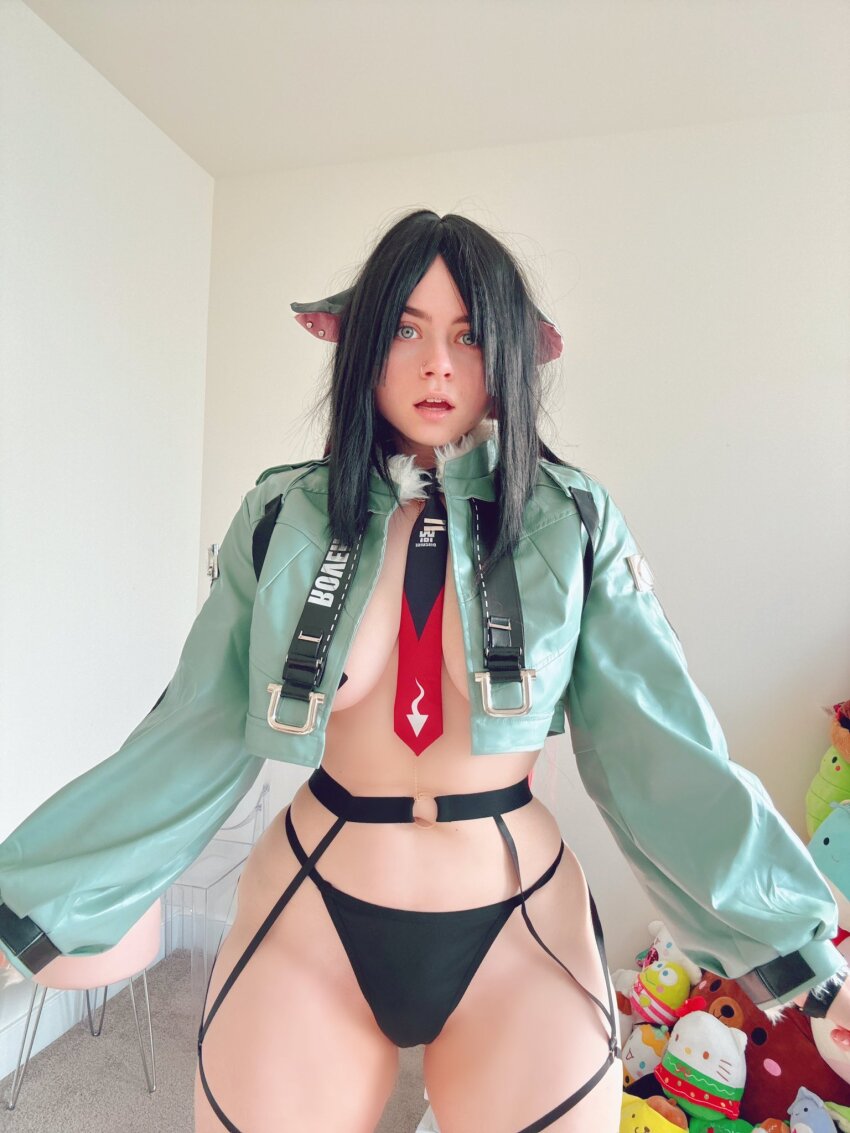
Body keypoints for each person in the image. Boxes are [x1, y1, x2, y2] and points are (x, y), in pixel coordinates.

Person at [0, 210, 847, 1132]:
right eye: (406, 329)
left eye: (468, 335)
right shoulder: (282, 514)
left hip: (515, 916)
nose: (437, 364)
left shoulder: (573, 521)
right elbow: (192, 733)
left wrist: (800, 949)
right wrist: (28, 899)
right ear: (363, 345)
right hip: (312, 902)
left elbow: (660, 748)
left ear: (509, 355)